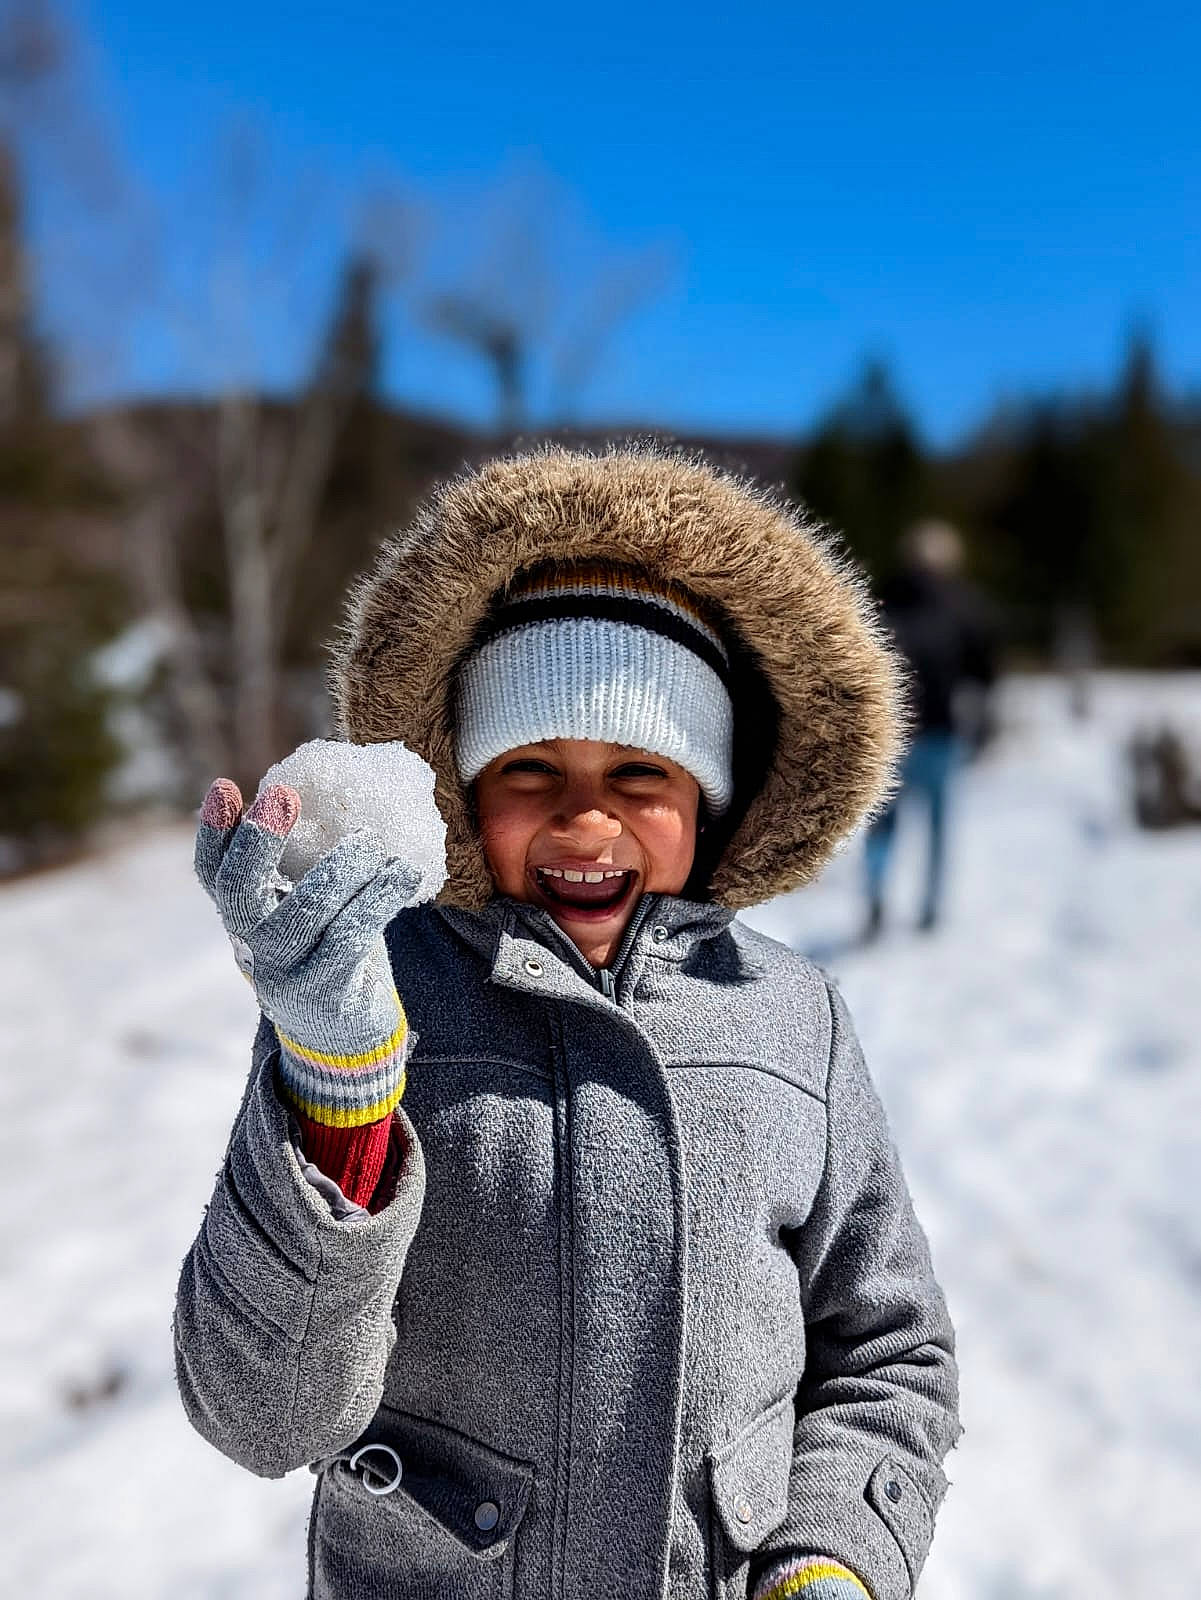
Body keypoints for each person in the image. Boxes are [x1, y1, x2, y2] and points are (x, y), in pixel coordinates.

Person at [175, 445, 960, 1600]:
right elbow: (262, 1412)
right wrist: (338, 1083)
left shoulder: (796, 1018)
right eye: (530, 768)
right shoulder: (367, 999)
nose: (586, 822)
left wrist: (832, 1558)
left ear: (711, 801)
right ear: (458, 791)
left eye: (642, 773)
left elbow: (889, 1354)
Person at [862, 519, 998, 939]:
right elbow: (985, 671)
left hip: (891, 735)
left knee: (883, 823)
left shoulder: (880, 600)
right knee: (938, 825)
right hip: (942, 731)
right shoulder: (964, 605)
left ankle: (876, 894)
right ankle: (932, 908)